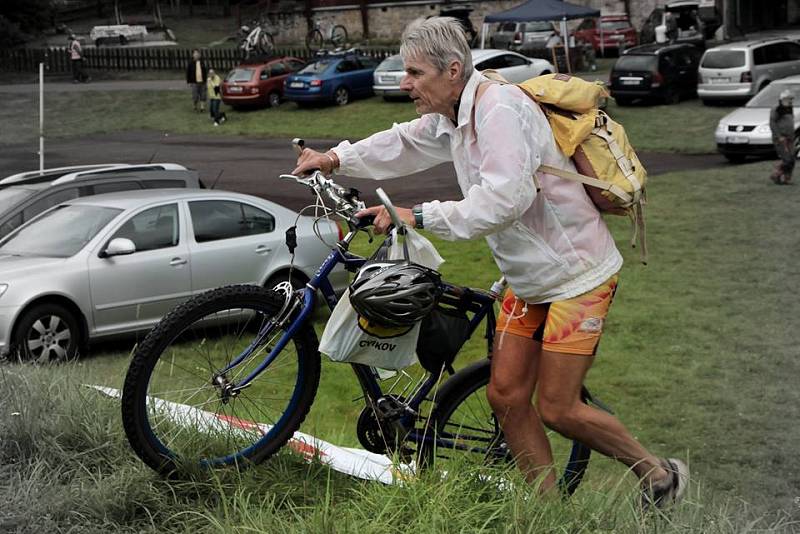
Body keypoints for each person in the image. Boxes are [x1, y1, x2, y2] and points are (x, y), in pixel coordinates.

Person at [293, 17, 688, 508]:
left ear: (452, 70)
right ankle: (547, 512)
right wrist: (335, 158)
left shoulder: (499, 109)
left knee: (559, 408)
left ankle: (659, 474)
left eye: (415, 73)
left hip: (579, 276)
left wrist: (419, 215)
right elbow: (407, 141)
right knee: (505, 397)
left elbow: (506, 199)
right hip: (528, 280)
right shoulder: (456, 113)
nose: (405, 82)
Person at [770, 90, 796, 185]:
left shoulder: (789, 108)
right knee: (787, 159)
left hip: (790, 138)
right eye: (788, 99)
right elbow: (772, 124)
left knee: (792, 159)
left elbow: (789, 121)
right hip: (781, 138)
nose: (790, 101)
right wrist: (779, 136)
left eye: (791, 99)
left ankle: (786, 179)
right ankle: (776, 174)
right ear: (782, 99)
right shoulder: (777, 109)